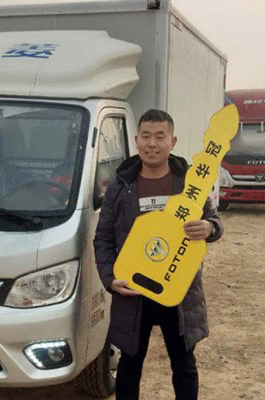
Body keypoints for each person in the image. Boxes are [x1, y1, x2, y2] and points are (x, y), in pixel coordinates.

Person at [94, 109, 223, 400]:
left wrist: (209, 227)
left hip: (178, 291)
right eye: (146, 136)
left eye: (160, 137)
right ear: (136, 140)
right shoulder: (120, 185)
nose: (152, 144)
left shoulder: (189, 183)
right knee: (129, 366)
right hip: (133, 290)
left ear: (172, 141)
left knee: (184, 366)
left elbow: (214, 221)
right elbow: (103, 238)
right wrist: (110, 278)